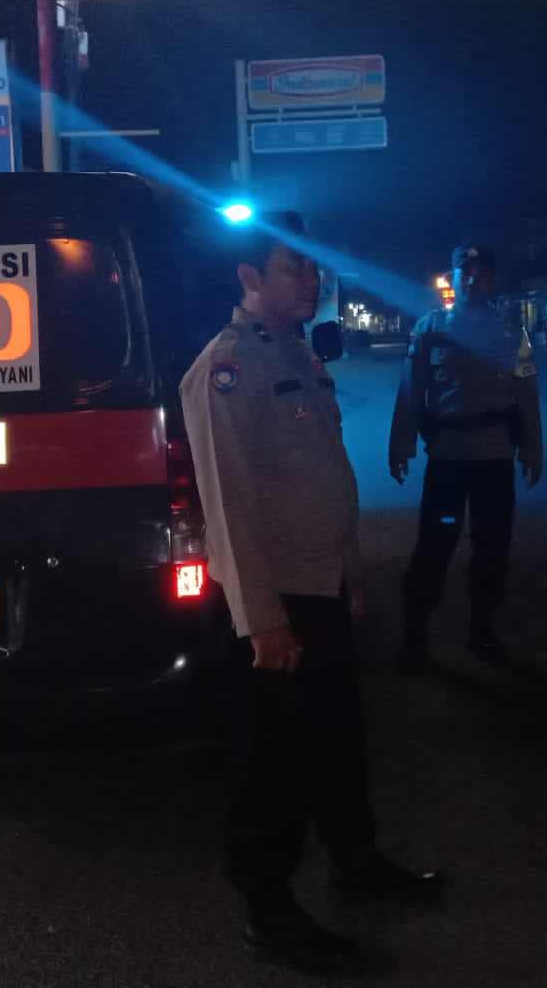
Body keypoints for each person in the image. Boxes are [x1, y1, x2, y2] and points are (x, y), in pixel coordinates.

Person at [180, 212, 442, 973]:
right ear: (249, 278)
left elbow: (326, 472)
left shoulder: (300, 353)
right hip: (277, 602)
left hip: (320, 586)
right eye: (292, 266)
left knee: (338, 740)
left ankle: (356, 860)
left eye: (311, 265)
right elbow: (228, 505)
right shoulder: (225, 369)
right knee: (274, 765)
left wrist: (350, 565)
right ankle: (267, 911)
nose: (310, 278)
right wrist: (261, 621)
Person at [389, 244, 543, 672]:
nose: (474, 281)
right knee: (434, 547)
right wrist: (400, 444)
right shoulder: (430, 328)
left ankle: (482, 630)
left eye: (482, 274)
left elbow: (527, 392)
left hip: (495, 460)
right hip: (448, 460)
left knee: (492, 550)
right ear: (453, 278)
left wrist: (533, 447)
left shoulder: (512, 333)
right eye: (466, 273)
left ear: (494, 281)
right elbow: (411, 390)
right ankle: (414, 636)